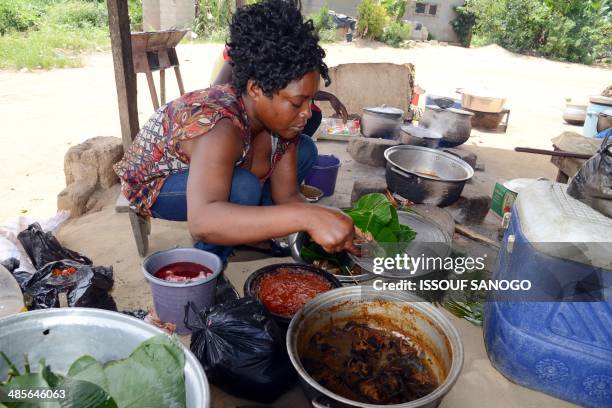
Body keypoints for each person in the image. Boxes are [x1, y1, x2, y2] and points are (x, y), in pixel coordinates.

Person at [114, 0, 357, 263]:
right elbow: (203, 220)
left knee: (306, 149)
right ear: (255, 90)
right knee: (242, 186)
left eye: (310, 101)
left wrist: (326, 221)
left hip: (210, 172)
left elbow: (287, 195)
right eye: (298, 102)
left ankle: (244, 236)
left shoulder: (283, 126)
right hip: (155, 182)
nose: (308, 113)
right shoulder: (220, 124)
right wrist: (309, 217)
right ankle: (208, 265)